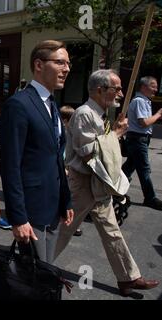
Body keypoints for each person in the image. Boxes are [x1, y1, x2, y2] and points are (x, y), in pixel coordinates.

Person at [56, 69, 159, 296]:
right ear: (101, 90)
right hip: (83, 184)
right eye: (117, 89)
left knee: (112, 231)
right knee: (64, 229)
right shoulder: (84, 114)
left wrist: (114, 131)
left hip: (99, 183)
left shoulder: (100, 113)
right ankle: (36, 262)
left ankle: (128, 278)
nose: (121, 93)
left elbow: (101, 147)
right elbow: (87, 153)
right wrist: (117, 134)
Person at [0, 40, 73, 264]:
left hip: (52, 206)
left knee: (46, 270)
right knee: (35, 275)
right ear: (39, 65)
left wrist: (65, 200)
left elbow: (56, 158)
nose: (67, 69)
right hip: (31, 210)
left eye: (68, 63)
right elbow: (10, 166)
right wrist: (18, 217)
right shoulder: (19, 104)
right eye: (60, 62)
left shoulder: (52, 104)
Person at [122, 76, 162, 210]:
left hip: (138, 138)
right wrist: (158, 115)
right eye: (153, 86)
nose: (155, 89)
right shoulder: (140, 101)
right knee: (144, 169)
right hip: (138, 139)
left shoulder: (143, 100)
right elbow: (143, 122)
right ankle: (150, 198)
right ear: (144, 86)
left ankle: (113, 189)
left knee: (129, 167)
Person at [60, 105, 83, 237]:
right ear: (65, 120)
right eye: (72, 120)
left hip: (68, 168)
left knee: (70, 197)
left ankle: (71, 224)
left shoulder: (71, 131)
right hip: (63, 168)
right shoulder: (62, 132)